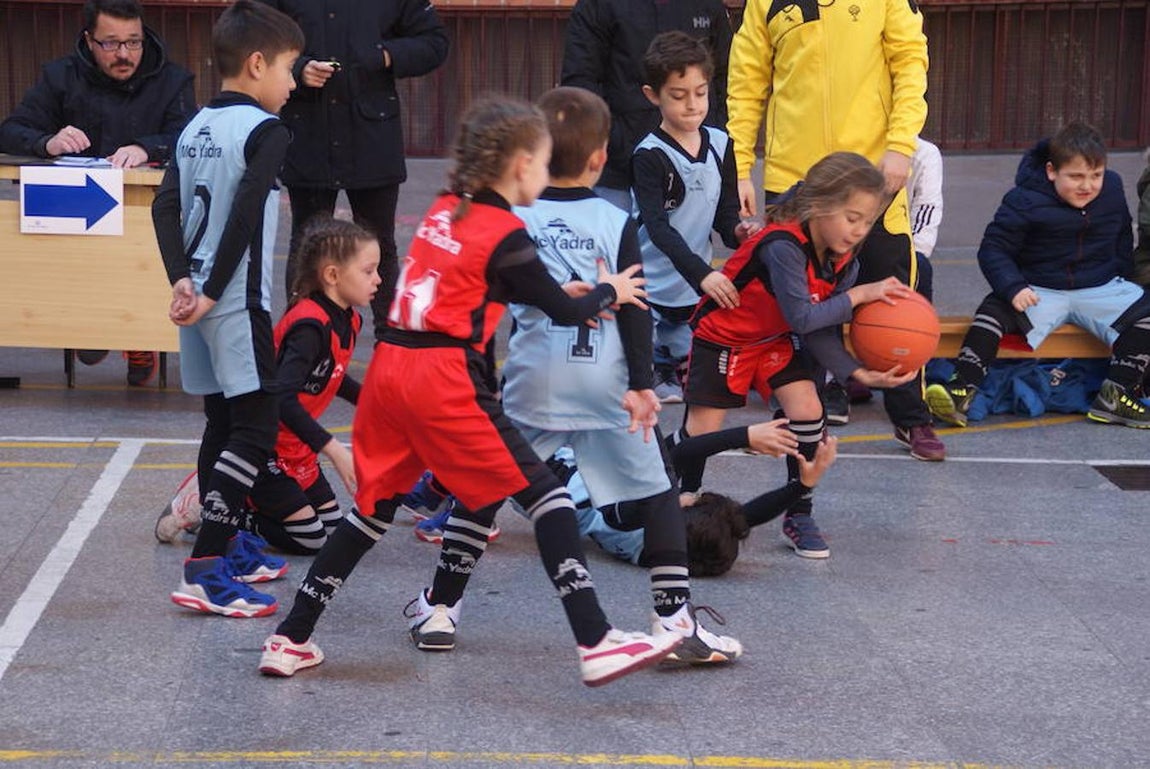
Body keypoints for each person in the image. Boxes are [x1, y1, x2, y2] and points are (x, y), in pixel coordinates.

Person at [258, 96, 682, 686]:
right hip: (442, 377)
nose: (546, 171)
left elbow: (481, 282)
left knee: (371, 513)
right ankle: (596, 640)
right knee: (550, 500)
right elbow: (564, 309)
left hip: (390, 370)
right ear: (519, 165)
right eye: (541, 162)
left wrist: (556, 290)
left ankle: (290, 637)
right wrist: (611, 289)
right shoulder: (506, 232)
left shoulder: (444, 209)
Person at [501, 85, 741, 665]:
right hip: (601, 380)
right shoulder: (615, 219)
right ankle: (675, 623)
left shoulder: (514, 216)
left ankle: (440, 607)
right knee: (657, 492)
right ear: (600, 156)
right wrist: (641, 383)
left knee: (487, 484)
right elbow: (636, 309)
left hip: (533, 376)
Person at [667, 152, 916, 559]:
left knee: (808, 411)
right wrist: (857, 297)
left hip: (772, 339)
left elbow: (816, 329)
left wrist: (858, 373)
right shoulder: (783, 246)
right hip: (724, 338)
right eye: (851, 218)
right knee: (701, 435)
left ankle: (798, 512)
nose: (859, 231)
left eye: (867, 222)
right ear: (819, 206)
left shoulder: (843, 260)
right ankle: (679, 494)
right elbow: (803, 317)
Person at [727, 0, 945, 461]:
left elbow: (911, 62)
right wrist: (740, 167)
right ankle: (800, 413)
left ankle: (910, 415)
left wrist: (900, 145)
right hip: (796, 179)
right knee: (793, 303)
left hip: (874, 174)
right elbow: (746, 82)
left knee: (895, 299)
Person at [151, 0, 305, 617]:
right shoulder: (267, 130)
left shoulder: (194, 126)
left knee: (222, 420)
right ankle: (206, 568)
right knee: (256, 427)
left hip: (196, 295)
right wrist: (215, 289)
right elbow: (244, 214)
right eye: (289, 69)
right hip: (234, 298)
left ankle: (230, 542)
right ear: (258, 63)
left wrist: (182, 281)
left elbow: (164, 207)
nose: (293, 83)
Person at [0, 0, 196, 387]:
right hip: (76, 210)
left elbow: (189, 136)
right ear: (89, 40)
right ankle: (88, 323)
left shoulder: (173, 80)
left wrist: (147, 148)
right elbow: (11, 129)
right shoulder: (60, 77)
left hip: (148, 208)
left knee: (146, 242)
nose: (124, 54)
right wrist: (47, 142)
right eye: (110, 43)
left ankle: (139, 334)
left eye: (133, 42)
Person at [153, 217, 378, 554]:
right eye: (369, 271)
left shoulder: (349, 318)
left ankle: (225, 497)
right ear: (332, 276)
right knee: (311, 539)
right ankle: (216, 507)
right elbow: (282, 398)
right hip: (266, 447)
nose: (378, 279)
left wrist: (373, 403)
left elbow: (331, 372)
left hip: (296, 446)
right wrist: (332, 448)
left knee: (333, 530)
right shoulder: (309, 326)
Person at [925, 122, 1150, 429]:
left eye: (1096, 175)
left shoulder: (1111, 188)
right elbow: (993, 249)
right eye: (1076, 176)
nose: (1087, 185)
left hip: (1099, 287)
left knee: (1146, 312)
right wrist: (1014, 287)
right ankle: (961, 388)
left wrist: (1121, 277)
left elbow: (1122, 234)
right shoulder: (1024, 199)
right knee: (993, 311)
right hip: (1039, 289)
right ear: (1051, 171)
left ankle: (1116, 394)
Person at [257, 0, 449, 342]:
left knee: (379, 243)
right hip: (310, 132)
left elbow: (434, 43)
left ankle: (391, 344)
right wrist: (298, 68)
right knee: (307, 244)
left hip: (371, 134)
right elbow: (256, 35)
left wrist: (385, 55)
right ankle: (302, 341)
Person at [631, 31, 756, 403]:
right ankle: (659, 361)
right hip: (650, 287)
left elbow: (724, 213)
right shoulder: (649, 155)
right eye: (678, 95)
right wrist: (703, 274)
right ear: (653, 95)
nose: (692, 105)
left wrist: (738, 231)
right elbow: (658, 229)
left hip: (693, 286)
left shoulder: (720, 143)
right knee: (642, 364)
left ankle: (675, 355)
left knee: (710, 375)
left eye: (700, 93)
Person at [552, 426, 837, 576]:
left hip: (553, 471)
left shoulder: (628, 516)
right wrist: (803, 484)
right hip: (587, 479)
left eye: (694, 499)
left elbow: (681, 453)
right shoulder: (665, 551)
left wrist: (745, 435)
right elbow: (746, 516)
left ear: (679, 514)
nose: (690, 494)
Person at [560, 0, 731, 212]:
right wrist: (614, 140)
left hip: (695, 168)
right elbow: (580, 84)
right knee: (619, 234)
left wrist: (713, 134)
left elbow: (726, 77)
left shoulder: (707, 5)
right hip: (620, 172)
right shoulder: (598, 5)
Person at [826, 135, 946, 422]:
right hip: (849, 240)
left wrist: (913, 252)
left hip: (898, 242)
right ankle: (834, 382)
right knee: (826, 283)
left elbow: (928, 209)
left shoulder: (925, 153)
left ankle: (905, 391)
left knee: (918, 270)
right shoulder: (854, 140)